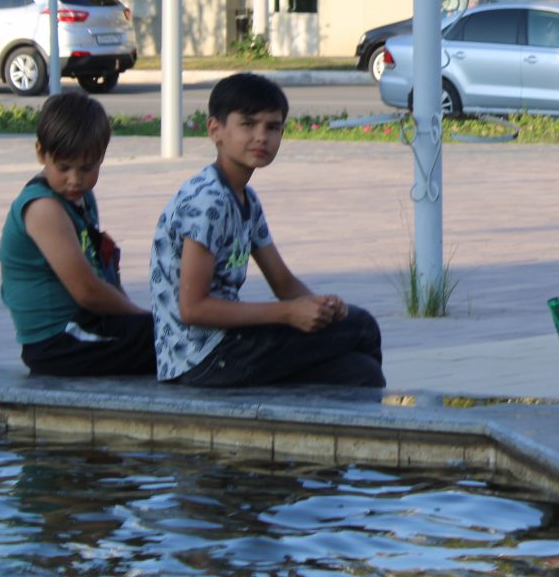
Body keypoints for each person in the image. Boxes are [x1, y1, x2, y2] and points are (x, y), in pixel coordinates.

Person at [149, 72, 385, 389]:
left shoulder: (245, 199)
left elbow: (284, 282)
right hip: (202, 357)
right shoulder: (208, 201)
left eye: (272, 127)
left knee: (359, 371)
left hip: (228, 345)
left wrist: (320, 308)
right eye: (248, 124)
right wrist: (287, 313)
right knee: (362, 328)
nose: (262, 137)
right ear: (215, 130)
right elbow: (194, 308)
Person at [0, 91, 156, 376]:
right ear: (40, 153)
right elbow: (88, 292)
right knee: (175, 340)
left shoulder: (80, 199)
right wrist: (143, 316)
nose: (75, 179)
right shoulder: (44, 208)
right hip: (58, 342)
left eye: (86, 168)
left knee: (179, 334)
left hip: (83, 327)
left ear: (101, 158)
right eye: (63, 168)